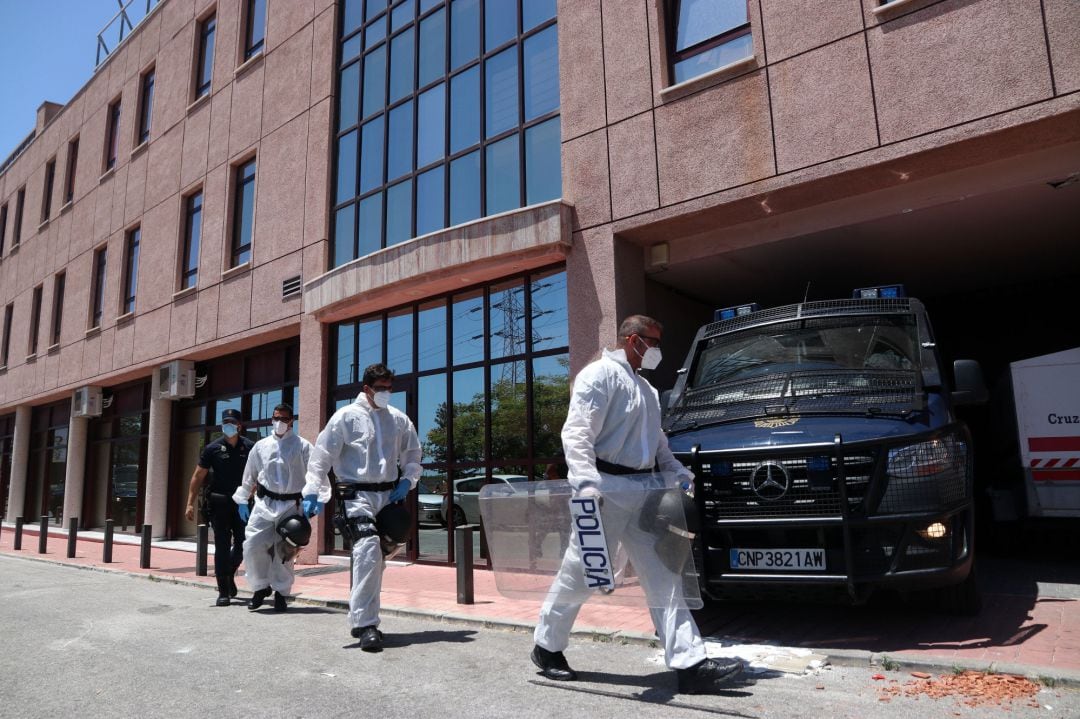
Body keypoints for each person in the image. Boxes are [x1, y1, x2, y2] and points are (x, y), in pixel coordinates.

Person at [530, 315, 744, 694]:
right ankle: (547, 648)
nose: (658, 350)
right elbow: (577, 431)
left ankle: (690, 664)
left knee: (665, 574)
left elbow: (656, 440)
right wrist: (584, 482)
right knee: (581, 573)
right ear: (633, 340)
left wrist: (674, 469)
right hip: (604, 488)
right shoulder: (597, 375)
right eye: (654, 342)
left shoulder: (645, 388)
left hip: (644, 491)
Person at [306, 363, 422, 651]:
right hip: (356, 495)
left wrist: (408, 480)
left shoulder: (398, 419)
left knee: (379, 555)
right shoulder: (345, 417)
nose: (386, 393)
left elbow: (413, 452)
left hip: (389, 495)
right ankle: (365, 624)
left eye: (389, 388)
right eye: (380, 388)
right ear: (367, 388)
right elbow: (321, 456)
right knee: (368, 547)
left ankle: (362, 610)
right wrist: (312, 491)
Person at [232, 404, 330, 612]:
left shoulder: (302, 446)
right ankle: (260, 587)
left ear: (291, 421)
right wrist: (242, 499)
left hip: (291, 505)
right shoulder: (260, 446)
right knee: (252, 545)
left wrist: (317, 497)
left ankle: (281, 593)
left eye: (284, 419)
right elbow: (250, 475)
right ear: (271, 419)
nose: (280, 423)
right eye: (276, 418)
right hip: (264, 503)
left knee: (284, 552)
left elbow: (316, 472)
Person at [185, 408, 254, 606]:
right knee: (222, 546)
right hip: (219, 503)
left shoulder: (250, 447)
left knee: (243, 543)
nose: (228, 426)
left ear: (239, 425)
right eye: (225, 422)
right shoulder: (212, 448)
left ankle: (229, 573)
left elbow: (258, 474)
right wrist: (190, 502)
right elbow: (198, 476)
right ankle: (223, 590)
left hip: (242, 504)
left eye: (232, 422)